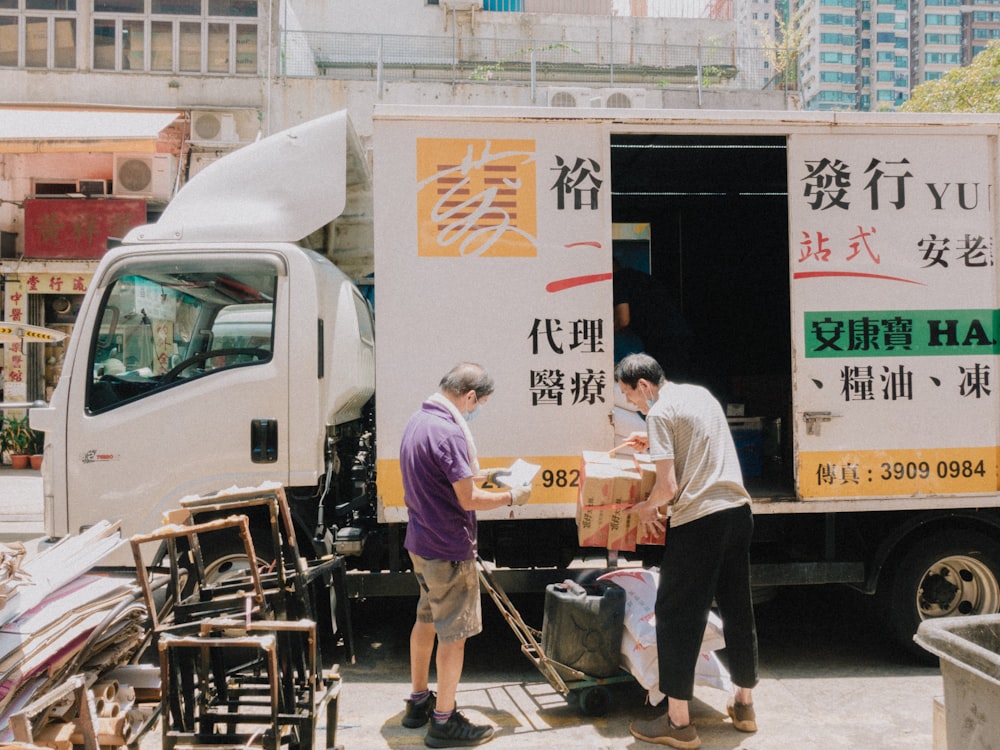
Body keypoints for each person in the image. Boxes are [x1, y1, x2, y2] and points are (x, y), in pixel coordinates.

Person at [615, 353, 758, 750]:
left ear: (644, 386)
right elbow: (696, 443)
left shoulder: (659, 412)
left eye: (632, 397)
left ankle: (678, 723)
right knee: (737, 609)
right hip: (738, 513)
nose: (635, 406)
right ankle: (744, 705)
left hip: (699, 522)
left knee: (678, 616)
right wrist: (656, 440)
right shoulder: (700, 396)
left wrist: (643, 511)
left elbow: (668, 489)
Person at [399, 362, 532, 748]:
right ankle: (443, 721)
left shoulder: (419, 421)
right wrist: (511, 496)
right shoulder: (449, 433)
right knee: (454, 636)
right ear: (469, 396)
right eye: (480, 403)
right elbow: (468, 497)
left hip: (421, 543)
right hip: (448, 550)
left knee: (426, 620)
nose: (477, 411)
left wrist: (493, 475)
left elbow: (450, 477)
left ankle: (419, 702)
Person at [613, 260, 692, 381]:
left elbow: (623, 319)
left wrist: (604, 334)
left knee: (663, 381)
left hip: (662, 337)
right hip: (676, 331)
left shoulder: (618, 279)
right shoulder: (638, 277)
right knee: (674, 379)